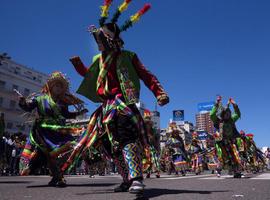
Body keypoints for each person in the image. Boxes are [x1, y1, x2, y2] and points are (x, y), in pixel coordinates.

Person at [65, 0, 169, 194]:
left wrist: (159, 92)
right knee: (109, 144)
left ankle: (137, 178)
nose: (98, 44)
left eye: (101, 40)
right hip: (106, 108)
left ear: (111, 40)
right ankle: (126, 180)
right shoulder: (99, 59)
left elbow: (146, 75)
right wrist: (79, 66)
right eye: (97, 41)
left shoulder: (129, 56)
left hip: (124, 104)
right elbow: (91, 75)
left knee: (126, 136)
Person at [18, 71, 87, 187]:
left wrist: (79, 113)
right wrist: (22, 102)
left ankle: (57, 177)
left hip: (58, 131)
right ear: (51, 86)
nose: (59, 88)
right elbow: (28, 107)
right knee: (50, 153)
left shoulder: (62, 103)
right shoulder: (40, 99)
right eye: (56, 85)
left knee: (66, 149)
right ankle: (58, 178)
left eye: (60, 86)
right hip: (43, 132)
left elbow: (66, 115)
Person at [210, 96, 242, 178]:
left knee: (235, 155)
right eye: (225, 113)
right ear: (223, 114)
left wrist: (235, 105)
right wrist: (217, 104)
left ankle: (236, 171)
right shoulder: (218, 121)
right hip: (221, 142)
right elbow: (212, 115)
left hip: (231, 141)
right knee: (222, 156)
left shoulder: (232, 120)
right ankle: (218, 169)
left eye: (228, 113)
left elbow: (238, 114)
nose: (227, 115)